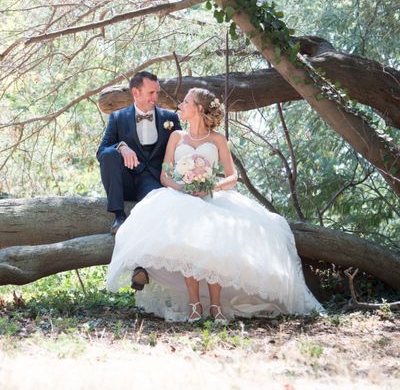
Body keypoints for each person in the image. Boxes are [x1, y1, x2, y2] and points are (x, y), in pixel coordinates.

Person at [106, 87, 324, 323]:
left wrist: (210, 186)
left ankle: (217, 307)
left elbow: (232, 177)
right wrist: (182, 188)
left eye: (186, 102)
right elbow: (164, 176)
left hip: (211, 196)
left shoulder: (218, 139)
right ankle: (194, 305)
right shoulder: (176, 137)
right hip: (180, 197)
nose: (181, 105)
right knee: (186, 245)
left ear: (199, 108)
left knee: (216, 242)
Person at [97, 71, 182, 235]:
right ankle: (119, 217)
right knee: (109, 154)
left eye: (157, 92)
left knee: (158, 214)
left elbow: (182, 148)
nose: (155, 97)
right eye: (151, 92)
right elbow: (101, 151)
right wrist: (121, 146)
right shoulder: (117, 117)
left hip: (153, 180)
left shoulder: (170, 118)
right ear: (136, 93)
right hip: (126, 180)